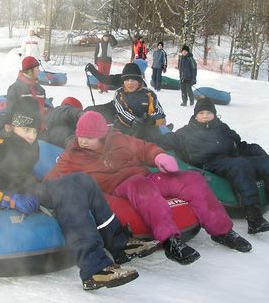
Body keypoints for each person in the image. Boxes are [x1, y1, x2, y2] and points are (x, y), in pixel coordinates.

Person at [0, 97, 160, 290]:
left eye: (34, 130)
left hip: (28, 191)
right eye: (26, 130)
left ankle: (120, 243)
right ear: (10, 126)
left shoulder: (30, 145)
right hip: (8, 197)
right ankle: (94, 268)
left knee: (83, 180)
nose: (31, 136)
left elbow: (21, 174)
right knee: (68, 191)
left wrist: (37, 188)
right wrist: (9, 201)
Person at [47, 111, 252, 264]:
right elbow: (51, 180)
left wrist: (158, 156)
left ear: (101, 135)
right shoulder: (72, 155)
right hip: (121, 187)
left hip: (145, 176)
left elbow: (143, 148)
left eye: (89, 137)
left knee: (192, 180)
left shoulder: (117, 139)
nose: (83, 141)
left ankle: (222, 231)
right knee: (139, 186)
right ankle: (171, 241)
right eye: (80, 136)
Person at [161, 97, 269, 234]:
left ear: (214, 114)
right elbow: (167, 140)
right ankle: (254, 218)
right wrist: (150, 135)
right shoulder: (185, 132)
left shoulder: (222, 128)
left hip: (231, 159)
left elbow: (238, 145)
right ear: (195, 115)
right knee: (240, 165)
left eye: (209, 112)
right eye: (201, 113)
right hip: (209, 164)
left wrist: (258, 151)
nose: (205, 115)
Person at [113, 63, 168, 144]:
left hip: (147, 126)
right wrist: (134, 120)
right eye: (127, 80)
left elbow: (159, 111)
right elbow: (122, 111)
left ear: (139, 81)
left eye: (133, 80)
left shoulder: (148, 93)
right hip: (125, 126)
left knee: (156, 130)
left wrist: (150, 119)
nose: (130, 83)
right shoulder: (119, 93)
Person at [6, 56, 49, 130]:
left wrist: (45, 121)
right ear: (30, 71)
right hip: (24, 131)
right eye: (37, 68)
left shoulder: (40, 90)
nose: (39, 71)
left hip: (40, 129)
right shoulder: (15, 89)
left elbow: (43, 109)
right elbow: (10, 113)